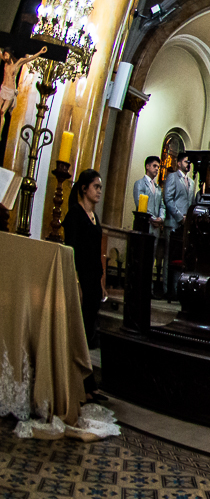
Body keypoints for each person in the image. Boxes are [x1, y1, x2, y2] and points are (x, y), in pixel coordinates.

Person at [62, 168, 107, 403]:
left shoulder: (94, 217)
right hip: (81, 280)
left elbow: (97, 252)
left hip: (93, 282)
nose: (99, 191)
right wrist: (76, 282)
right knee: (78, 334)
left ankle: (88, 385)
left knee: (88, 335)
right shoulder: (75, 215)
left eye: (100, 187)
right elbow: (71, 251)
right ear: (84, 188)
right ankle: (80, 384)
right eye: (96, 187)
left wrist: (101, 281)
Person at [162, 151, 196, 300]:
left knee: (181, 257)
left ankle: (178, 290)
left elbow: (191, 203)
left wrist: (188, 219)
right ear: (179, 163)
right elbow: (168, 198)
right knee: (169, 256)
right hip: (173, 222)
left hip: (185, 225)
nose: (188, 165)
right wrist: (178, 216)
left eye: (189, 163)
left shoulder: (192, 182)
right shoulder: (172, 177)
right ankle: (166, 289)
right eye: (186, 162)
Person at [132, 155, 166, 289]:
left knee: (150, 258)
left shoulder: (158, 188)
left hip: (155, 227)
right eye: (155, 166)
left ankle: (148, 286)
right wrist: (152, 218)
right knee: (141, 256)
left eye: (158, 167)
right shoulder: (140, 184)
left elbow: (162, 206)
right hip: (144, 225)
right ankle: (138, 285)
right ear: (147, 166)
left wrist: (161, 218)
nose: (157, 169)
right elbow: (140, 203)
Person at [0, 45, 46, 116]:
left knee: (2, 112)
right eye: (4, 55)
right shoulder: (6, 62)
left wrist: (40, 52)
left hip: (10, 90)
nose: (5, 57)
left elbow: (30, 58)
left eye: (6, 55)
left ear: (10, 54)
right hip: (3, 88)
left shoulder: (18, 63)